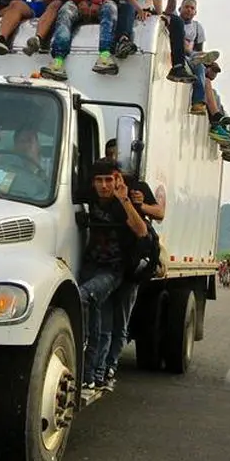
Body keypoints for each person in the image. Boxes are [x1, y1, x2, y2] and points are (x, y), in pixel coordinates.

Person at [80, 159, 148, 390]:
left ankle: (95, 371)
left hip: (115, 269)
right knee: (104, 322)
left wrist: (124, 199)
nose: (104, 186)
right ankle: (94, 374)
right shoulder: (87, 197)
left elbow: (141, 230)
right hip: (90, 266)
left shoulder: (122, 203)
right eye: (99, 181)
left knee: (88, 298)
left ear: (117, 179)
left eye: (108, 180)